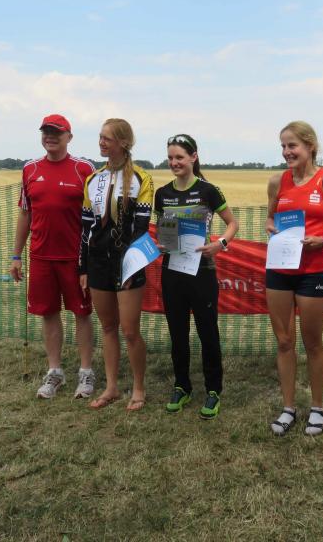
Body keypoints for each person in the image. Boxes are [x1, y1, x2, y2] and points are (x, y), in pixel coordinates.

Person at [265, 121, 323, 436]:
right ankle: (288, 408)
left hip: (312, 273)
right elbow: (270, 217)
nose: (286, 152)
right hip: (279, 271)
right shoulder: (277, 181)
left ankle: (317, 408)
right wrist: (270, 227)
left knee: (313, 343)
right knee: (284, 342)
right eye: (283, 146)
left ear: (310, 146)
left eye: (292, 145)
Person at [10, 114, 96, 399]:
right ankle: (55, 372)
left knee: (82, 312)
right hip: (41, 257)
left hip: (75, 258)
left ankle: (86, 372)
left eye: (57, 132)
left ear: (69, 137)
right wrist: (16, 255)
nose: (50, 137)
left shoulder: (84, 168)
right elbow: (25, 213)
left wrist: (92, 258)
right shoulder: (30, 169)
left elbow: (96, 215)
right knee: (48, 313)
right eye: (46, 132)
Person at [154, 134, 239, 419]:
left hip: (202, 272)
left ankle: (213, 390)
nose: (174, 162)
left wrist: (220, 244)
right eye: (170, 158)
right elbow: (164, 229)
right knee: (177, 333)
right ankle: (182, 386)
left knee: (207, 332)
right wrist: (162, 244)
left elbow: (232, 223)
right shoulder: (162, 194)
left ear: (194, 157)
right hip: (172, 271)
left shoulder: (208, 190)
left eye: (179, 157)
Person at [80, 118, 154, 411]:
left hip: (128, 262)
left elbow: (141, 229)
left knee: (130, 330)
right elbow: (86, 229)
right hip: (98, 262)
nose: (101, 142)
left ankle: (138, 388)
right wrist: (83, 268)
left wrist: (131, 267)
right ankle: (111, 387)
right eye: (100, 137)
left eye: (107, 138)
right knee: (108, 327)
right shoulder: (92, 179)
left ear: (123, 143)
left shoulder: (141, 178)